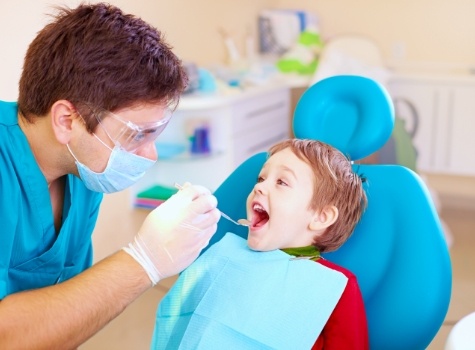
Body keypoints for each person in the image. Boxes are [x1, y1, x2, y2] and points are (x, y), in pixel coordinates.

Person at [0, 3, 220, 348]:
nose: (151, 154)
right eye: (137, 134)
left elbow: (67, 310)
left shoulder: (82, 172)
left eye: (155, 133)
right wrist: (143, 260)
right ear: (66, 121)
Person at [152, 138, 369, 349]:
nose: (259, 188)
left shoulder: (333, 286)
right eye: (261, 179)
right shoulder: (225, 255)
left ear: (321, 217)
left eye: (282, 182)